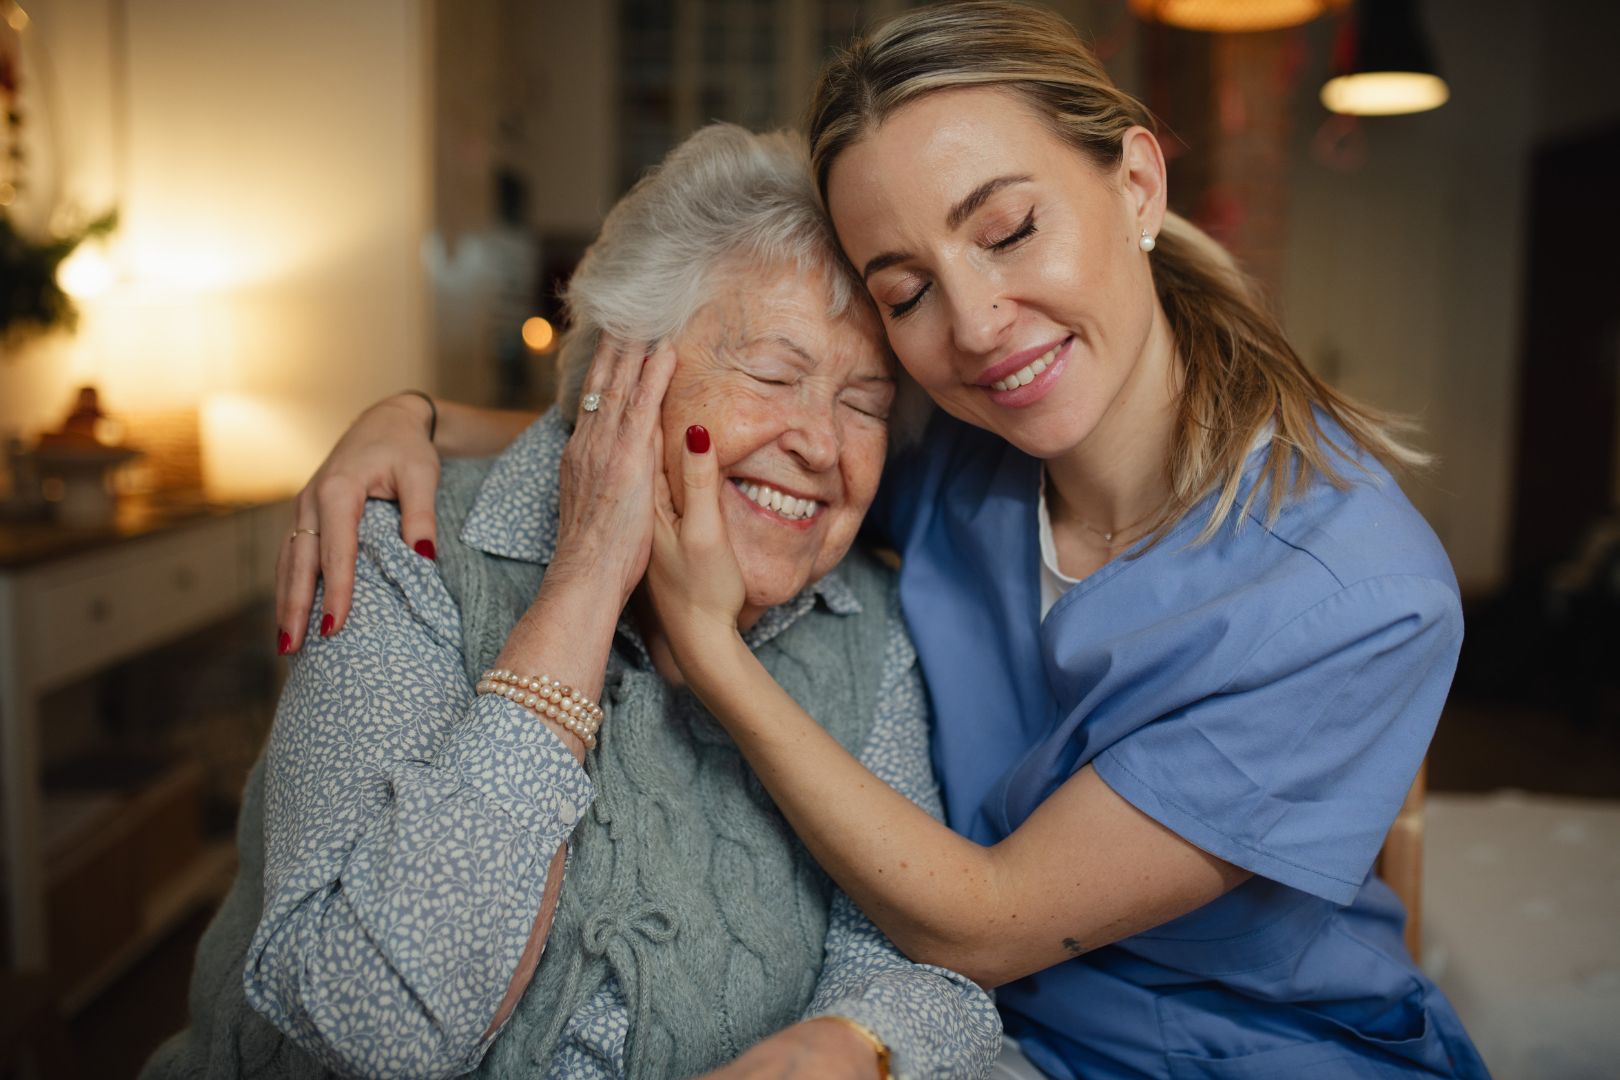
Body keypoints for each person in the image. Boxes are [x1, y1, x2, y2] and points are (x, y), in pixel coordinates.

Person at [278, 4, 1490, 1077]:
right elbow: (729, 442)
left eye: (1008, 230)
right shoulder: (971, 446)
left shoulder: (1361, 595)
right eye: (904, 290)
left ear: (1136, 185)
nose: (976, 324)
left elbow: (987, 923)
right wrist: (419, 418)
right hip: (984, 1036)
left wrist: (712, 648)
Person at [143, 124, 1002, 1080]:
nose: (821, 444)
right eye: (772, 373)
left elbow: (925, 961)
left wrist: (839, 1047)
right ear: (620, 377)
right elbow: (373, 1022)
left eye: (865, 405)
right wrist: (590, 576)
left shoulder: (864, 624)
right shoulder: (408, 554)